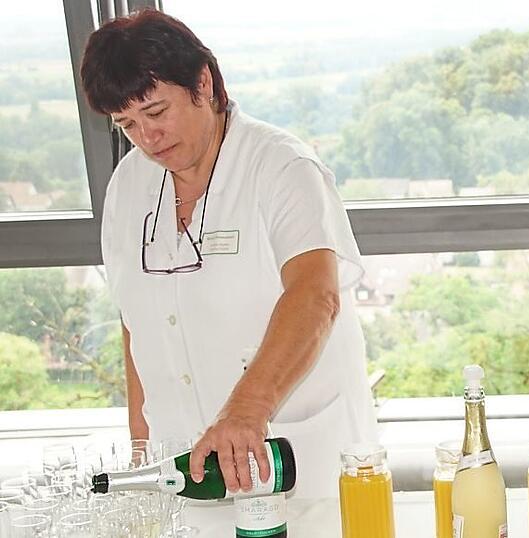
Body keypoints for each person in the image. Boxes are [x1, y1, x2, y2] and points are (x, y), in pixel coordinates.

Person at [80, 9, 377, 500]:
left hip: (299, 471)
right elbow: (136, 325)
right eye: (126, 124)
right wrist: (141, 453)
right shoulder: (127, 187)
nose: (147, 139)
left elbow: (315, 295)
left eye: (156, 112)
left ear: (204, 83)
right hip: (184, 478)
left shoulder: (282, 166)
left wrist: (246, 411)